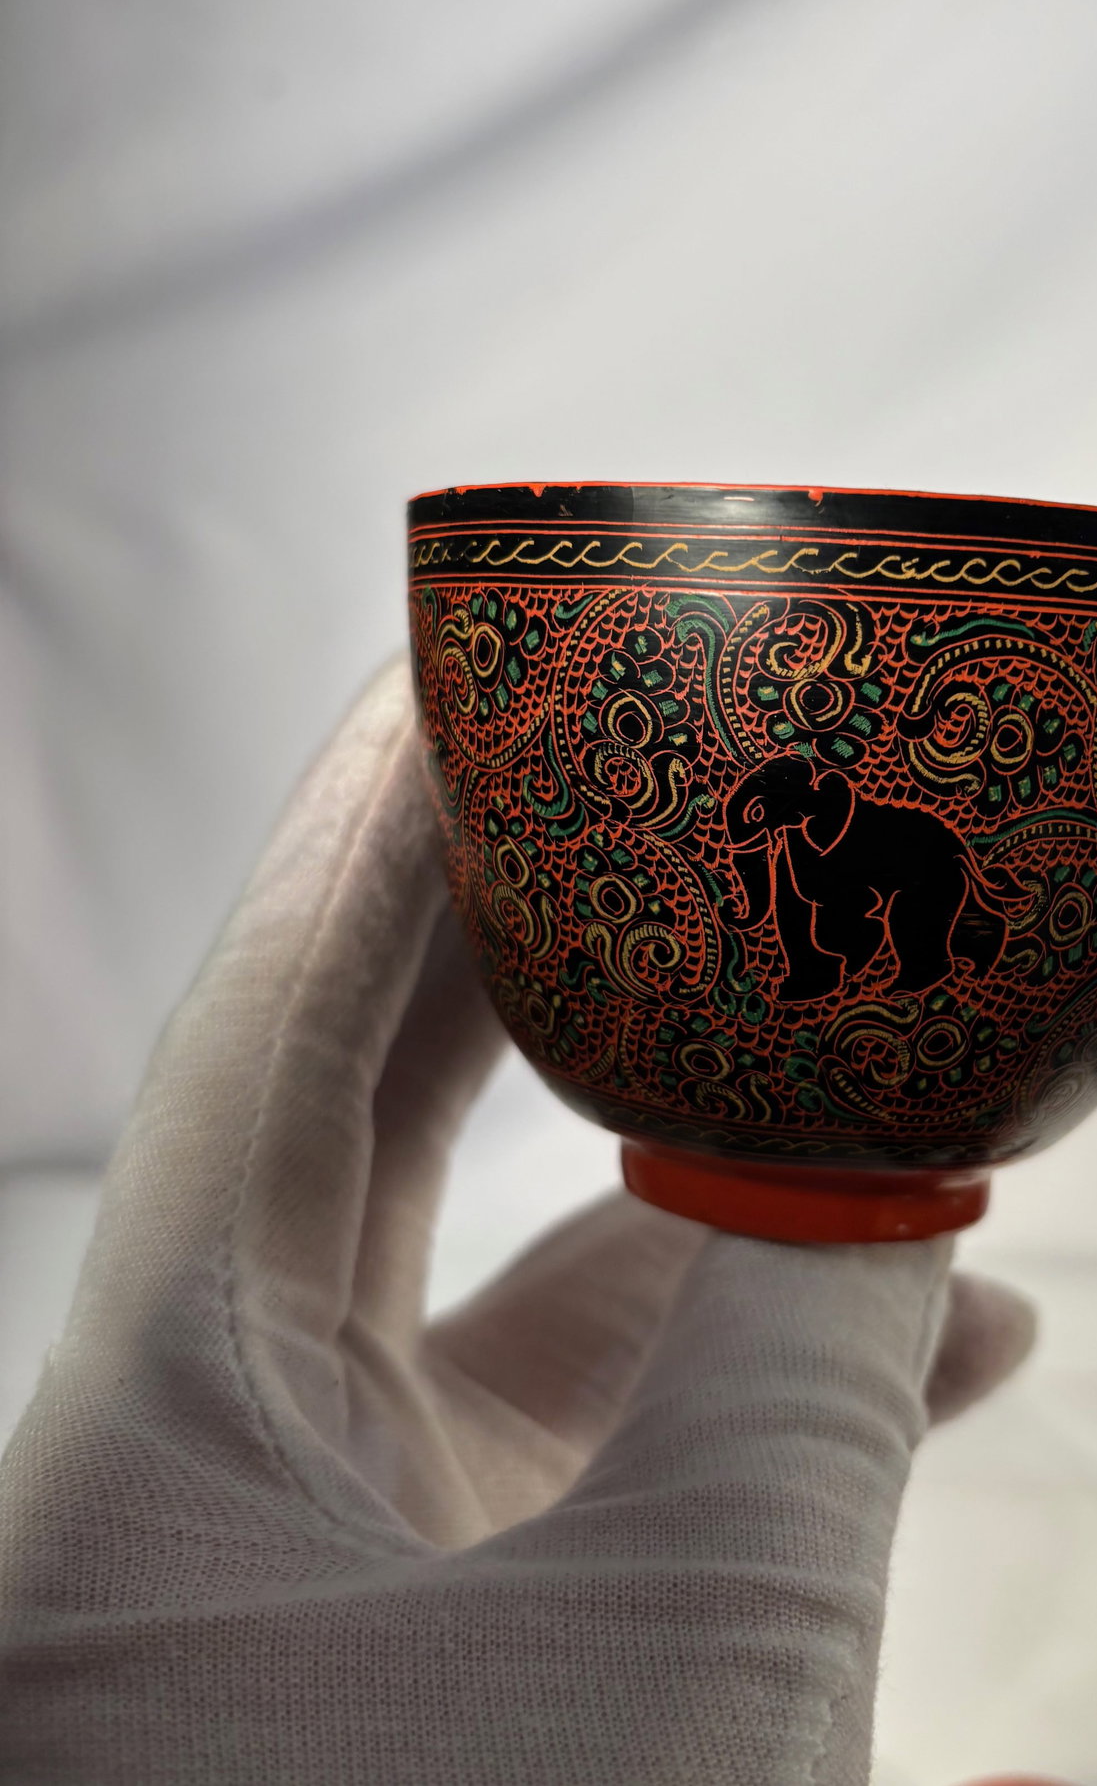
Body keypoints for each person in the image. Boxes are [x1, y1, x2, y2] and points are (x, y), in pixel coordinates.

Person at [0, 663, 1035, 1785]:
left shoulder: (882, 837)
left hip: (913, 928)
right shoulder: (782, 844)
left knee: (915, 949)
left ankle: (938, 962)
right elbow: (797, 921)